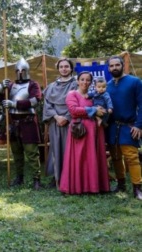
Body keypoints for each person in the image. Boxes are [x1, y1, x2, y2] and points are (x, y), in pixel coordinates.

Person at [59, 71, 110, 194]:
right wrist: (93, 110)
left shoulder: (93, 96)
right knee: (79, 158)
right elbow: (73, 111)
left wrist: (101, 111)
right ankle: (77, 186)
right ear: (77, 81)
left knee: (92, 158)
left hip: (94, 130)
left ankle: (93, 186)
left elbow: (102, 108)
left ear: (91, 82)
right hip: (79, 130)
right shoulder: (72, 94)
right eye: (82, 79)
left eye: (88, 80)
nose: (85, 82)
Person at [0, 58, 42, 190]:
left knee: (32, 153)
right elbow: (0, 100)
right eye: (18, 70)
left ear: (27, 71)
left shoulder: (33, 85)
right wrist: (1, 89)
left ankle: (36, 179)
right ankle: (19, 177)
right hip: (13, 123)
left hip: (28, 122)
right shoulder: (10, 85)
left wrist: (14, 104)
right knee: (16, 153)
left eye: (23, 70)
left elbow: (34, 101)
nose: (20, 72)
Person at [105, 56, 142, 200]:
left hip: (129, 126)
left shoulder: (135, 82)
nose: (114, 68)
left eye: (117, 65)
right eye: (111, 66)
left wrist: (139, 125)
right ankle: (121, 185)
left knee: (132, 158)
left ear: (122, 66)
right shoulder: (107, 85)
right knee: (115, 157)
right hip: (112, 127)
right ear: (108, 68)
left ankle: (137, 188)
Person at [42, 58, 77, 187]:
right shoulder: (51, 87)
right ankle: (57, 176)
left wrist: (67, 117)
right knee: (56, 148)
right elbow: (47, 105)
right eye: (61, 66)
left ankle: (70, 177)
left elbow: (78, 102)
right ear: (58, 69)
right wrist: (57, 117)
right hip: (55, 122)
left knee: (70, 150)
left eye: (66, 66)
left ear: (71, 68)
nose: (64, 69)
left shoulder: (76, 84)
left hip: (72, 122)